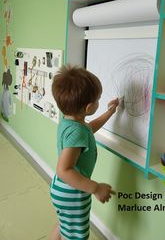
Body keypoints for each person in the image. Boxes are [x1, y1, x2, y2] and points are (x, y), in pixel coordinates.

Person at [50, 65, 119, 240]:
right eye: (98, 100)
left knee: (65, 225)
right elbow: (64, 169)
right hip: (73, 192)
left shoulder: (70, 123)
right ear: (88, 107)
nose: (99, 102)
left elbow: (90, 128)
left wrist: (110, 112)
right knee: (76, 235)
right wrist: (95, 188)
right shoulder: (77, 131)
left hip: (62, 188)